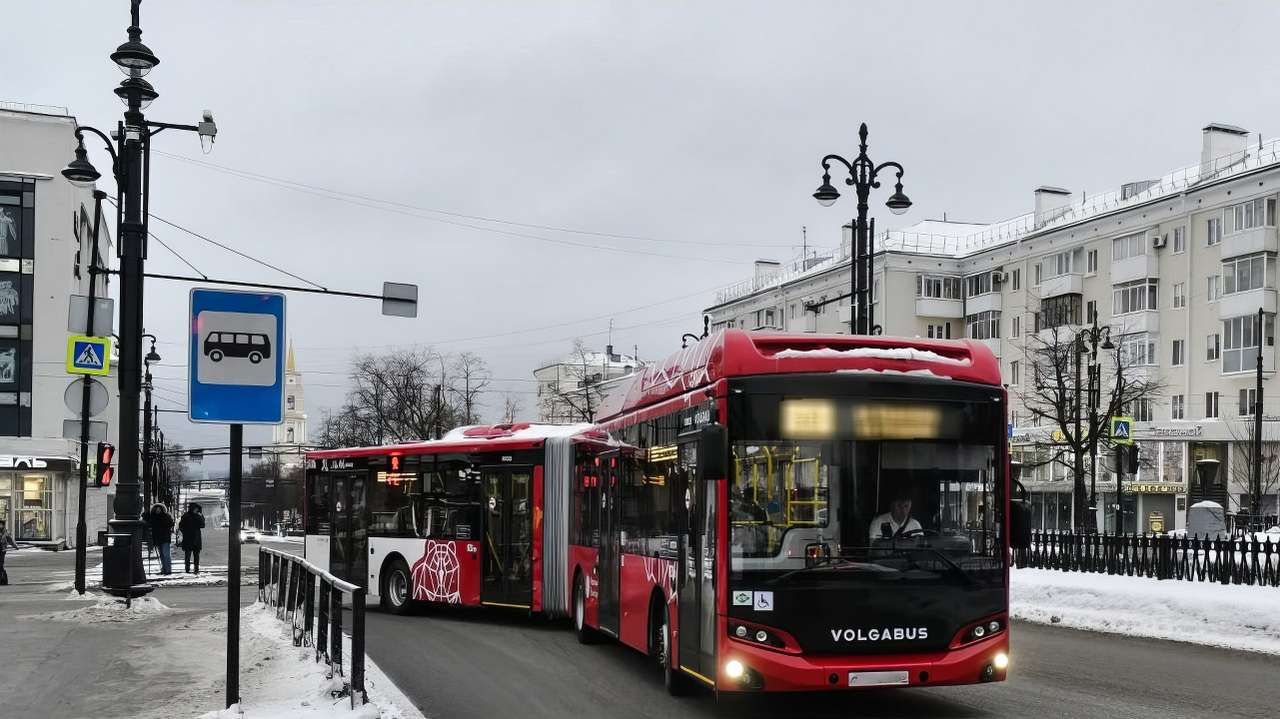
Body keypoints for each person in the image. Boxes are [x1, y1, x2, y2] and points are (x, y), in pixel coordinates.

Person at [146, 504, 174, 575]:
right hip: (158, 538)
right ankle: (164, 569)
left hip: (165, 538)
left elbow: (171, 523)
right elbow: (148, 524)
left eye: (159, 509)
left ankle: (168, 570)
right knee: (161, 554)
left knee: (166, 554)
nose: (158, 510)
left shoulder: (166, 516)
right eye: (156, 509)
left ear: (162, 509)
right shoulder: (153, 517)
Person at [178, 503, 204, 574]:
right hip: (188, 538)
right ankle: (187, 569)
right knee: (188, 555)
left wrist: (201, 516)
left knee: (196, 555)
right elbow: (181, 526)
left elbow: (202, 525)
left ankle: (196, 569)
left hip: (196, 538)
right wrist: (185, 532)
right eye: (195, 509)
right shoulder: (186, 516)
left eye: (197, 509)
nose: (196, 510)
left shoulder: (198, 516)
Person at [0, 518, 17, 585]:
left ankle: (2, 579)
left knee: (1, 564)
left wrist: (15, 546)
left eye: (1, 524)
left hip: (2, 550)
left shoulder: (6, 532)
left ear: (3, 525)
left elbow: (10, 540)